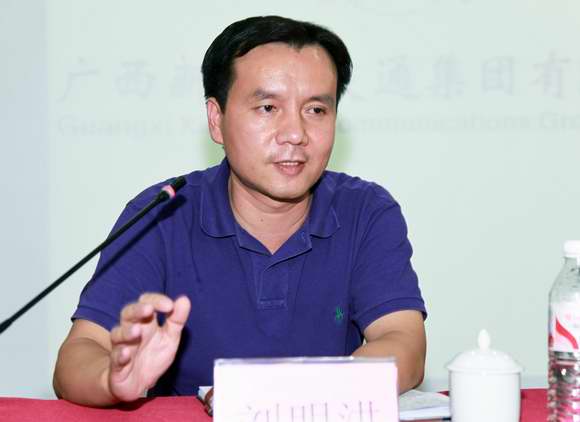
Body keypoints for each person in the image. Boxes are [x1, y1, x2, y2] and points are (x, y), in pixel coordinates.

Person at [53, 15, 427, 407]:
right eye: (268, 107)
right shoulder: (162, 214)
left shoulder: (365, 210)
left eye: (316, 110)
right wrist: (112, 379)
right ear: (217, 120)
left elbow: (402, 342)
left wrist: (284, 393)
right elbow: (81, 352)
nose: (295, 134)